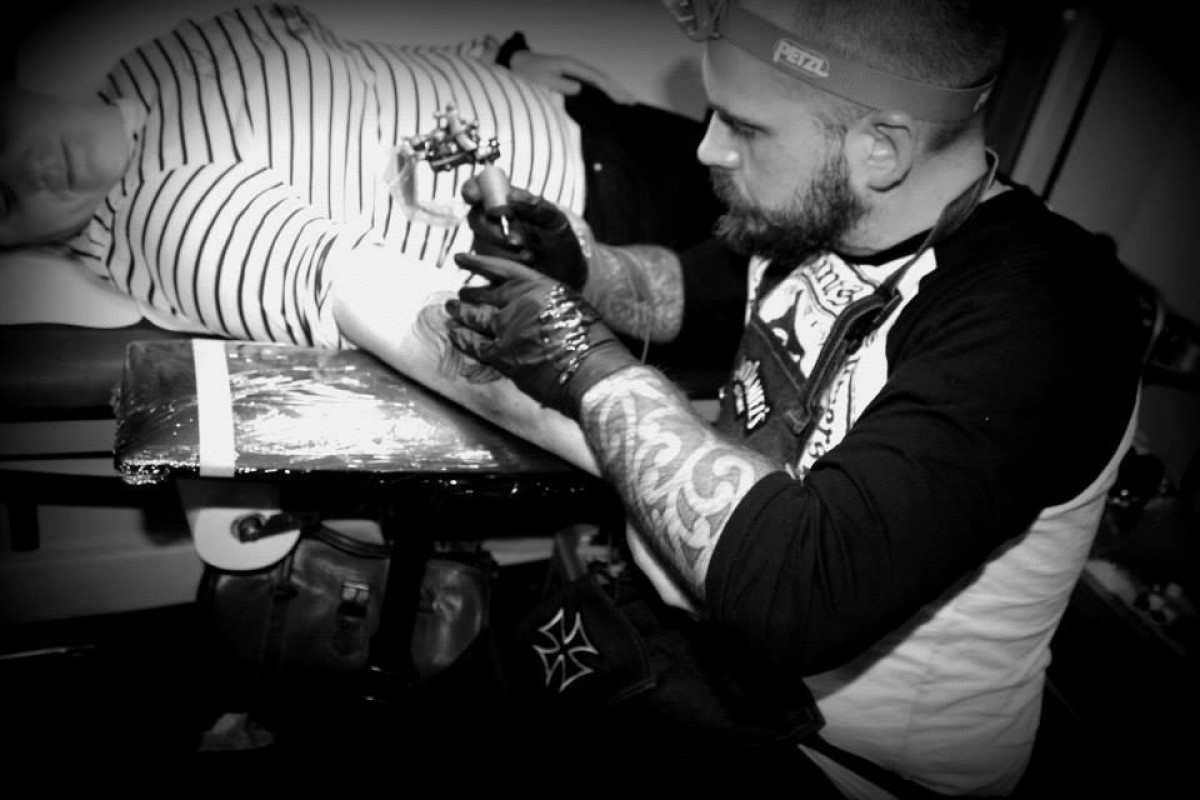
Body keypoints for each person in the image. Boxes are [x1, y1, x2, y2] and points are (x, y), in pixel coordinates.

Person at [437, 0, 1146, 795]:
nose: (708, 147)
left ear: (881, 147)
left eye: (745, 127)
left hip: (840, 762)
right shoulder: (825, 211)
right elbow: (684, 295)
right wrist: (581, 267)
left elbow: (799, 596)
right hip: (692, 651)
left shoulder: (1046, 313)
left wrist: (583, 360)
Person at [0, 3, 734, 361]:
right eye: (3, 202)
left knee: (782, 151)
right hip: (607, 240)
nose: (22, 171)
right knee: (781, 290)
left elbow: (347, 59)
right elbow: (388, 309)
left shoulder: (155, 58)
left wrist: (497, 56)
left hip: (591, 122)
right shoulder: (165, 220)